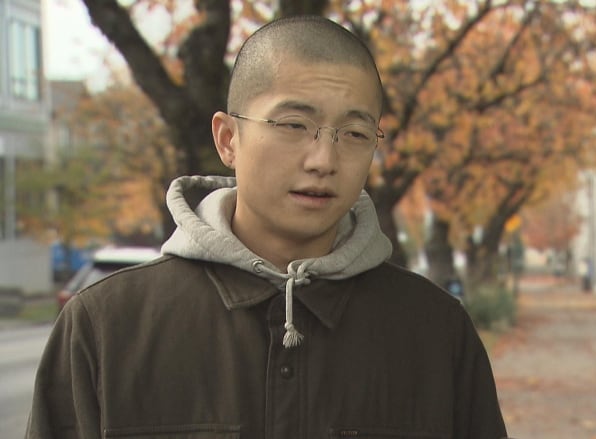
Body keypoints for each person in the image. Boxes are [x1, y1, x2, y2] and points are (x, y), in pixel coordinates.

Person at [26, 16, 508, 439]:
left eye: (355, 134)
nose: (324, 160)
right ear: (228, 139)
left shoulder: (435, 332)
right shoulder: (107, 328)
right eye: (294, 125)